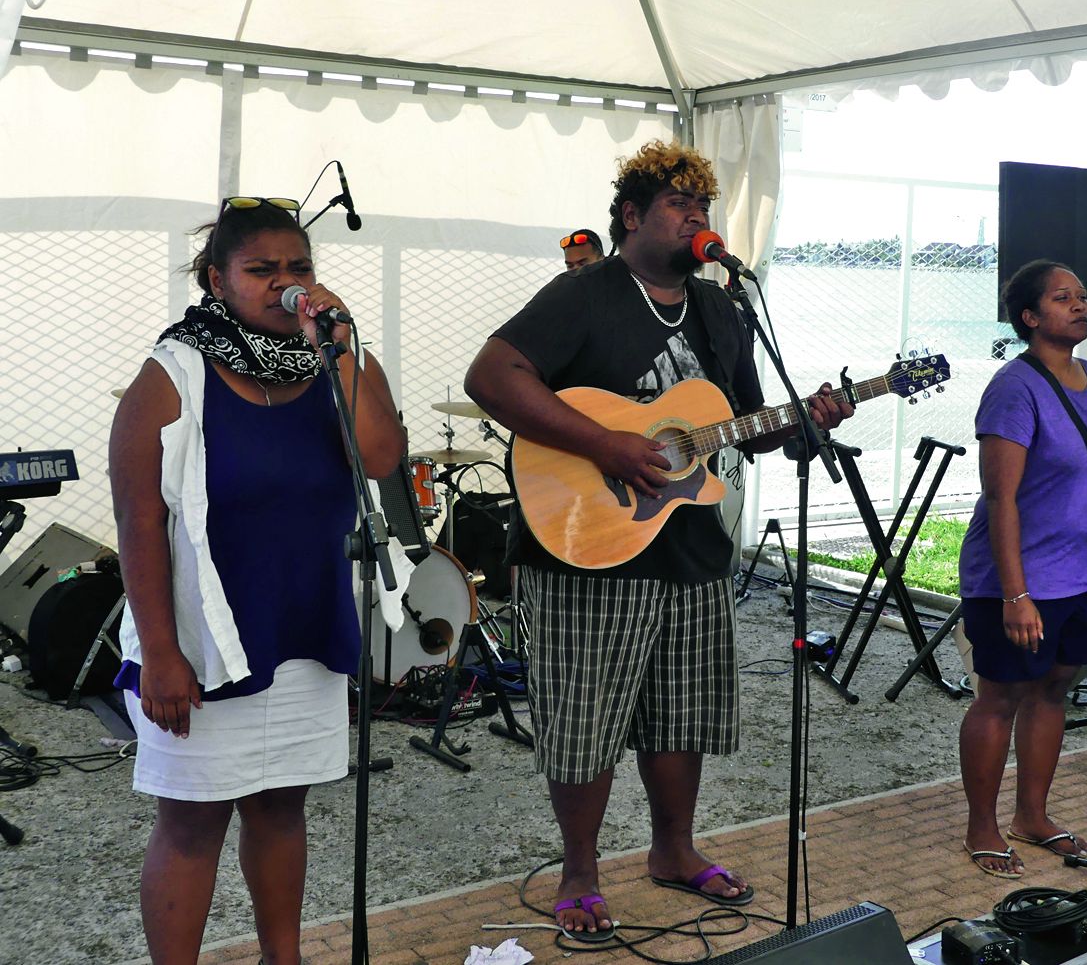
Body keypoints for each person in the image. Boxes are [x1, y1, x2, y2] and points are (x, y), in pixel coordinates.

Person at [465, 139, 852, 942]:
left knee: (681, 712)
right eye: (678, 204)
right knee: (585, 717)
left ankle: (672, 851)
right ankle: (579, 873)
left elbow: (747, 425)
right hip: (586, 543)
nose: (696, 217)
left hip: (687, 545)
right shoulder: (587, 293)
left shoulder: (721, 308)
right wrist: (606, 445)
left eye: (703, 207)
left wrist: (803, 417)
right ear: (631, 217)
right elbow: (492, 375)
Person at [109, 196, 405, 965]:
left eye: (298, 267)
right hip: (204, 641)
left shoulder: (335, 360)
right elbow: (139, 524)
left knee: (280, 809)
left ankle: (286, 959)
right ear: (217, 279)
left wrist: (339, 347)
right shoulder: (171, 373)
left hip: (302, 632)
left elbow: (379, 457)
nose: (284, 283)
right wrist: (163, 655)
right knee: (192, 821)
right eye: (261, 269)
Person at [956, 260, 1087, 879]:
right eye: (1063, 298)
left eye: (1083, 296)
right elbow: (1000, 497)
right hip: (1019, 580)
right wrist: (1015, 593)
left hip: (1084, 575)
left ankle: (1033, 814)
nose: (1080, 305)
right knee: (1000, 697)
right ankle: (982, 826)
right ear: (1030, 317)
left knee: (1054, 689)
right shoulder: (1014, 387)